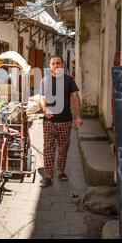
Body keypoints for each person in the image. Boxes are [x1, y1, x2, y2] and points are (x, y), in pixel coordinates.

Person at [39, 55, 83, 188]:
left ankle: (61, 171)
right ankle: (48, 176)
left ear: (63, 65)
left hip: (65, 121)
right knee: (48, 149)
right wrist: (45, 109)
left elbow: (75, 98)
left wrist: (78, 116)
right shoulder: (45, 81)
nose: (56, 66)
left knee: (63, 148)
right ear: (50, 66)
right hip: (49, 122)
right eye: (53, 63)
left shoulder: (69, 80)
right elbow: (42, 98)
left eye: (58, 63)